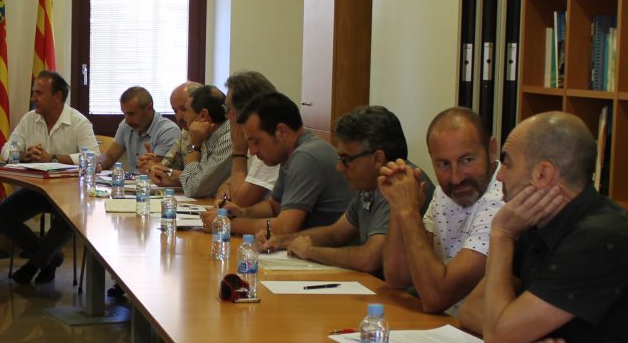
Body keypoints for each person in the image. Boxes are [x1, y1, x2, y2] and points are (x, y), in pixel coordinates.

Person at [458, 111, 628, 343]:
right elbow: (471, 309)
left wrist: (502, 233)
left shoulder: (599, 237)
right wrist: (523, 338)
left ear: (543, 174)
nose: (501, 176)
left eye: (507, 162)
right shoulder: (543, 222)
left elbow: (496, 334)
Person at [261, 106, 434, 276]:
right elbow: (335, 234)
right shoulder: (370, 184)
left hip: (407, 298)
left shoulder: (399, 183)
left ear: (377, 158)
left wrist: (311, 251)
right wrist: (281, 240)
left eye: (346, 159)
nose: (339, 167)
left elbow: (369, 258)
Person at [380, 107, 504, 313]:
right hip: (442, 329)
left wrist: (409, 212)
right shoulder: (445, 193)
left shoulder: (501, 201)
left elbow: (437, 297)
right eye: (443, 164)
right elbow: (397, 277)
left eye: (467, 160)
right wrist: (399, 203)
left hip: (476, 338)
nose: (456, 177)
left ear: (491, 149)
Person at [0, 70, 99, 284]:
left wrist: (54, 158)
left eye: (39, 93)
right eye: (34, 93)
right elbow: (7, 149)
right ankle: (51, 258)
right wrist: (21, 155)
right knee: (1, 217)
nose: (33, 98)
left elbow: (94, 158)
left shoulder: (79, 122)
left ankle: (35, 263)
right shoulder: (29, 119)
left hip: (69, 192)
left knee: (67, 221)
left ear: (58, 96)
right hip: (37, 190)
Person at [211, 91, 354, 237]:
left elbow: (285, 228)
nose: (252, 151)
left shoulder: (306, 156)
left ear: (281, 132)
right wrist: (242, 212)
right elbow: (274, 206)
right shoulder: (292, 153)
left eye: (256, 142)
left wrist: (227, 224)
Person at [148, 85, 232, 198]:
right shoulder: (211, 134)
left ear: (203, 115)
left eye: (185, 110)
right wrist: (174, 180)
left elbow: (192, 189)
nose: (182, 117)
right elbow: (199, 179)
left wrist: (195, 145)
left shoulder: (228, 139)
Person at [215, 71, 279, 209]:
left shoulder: (270, 141)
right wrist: (224, 189)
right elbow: (233, 181)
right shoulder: (253, 136)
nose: (227, 115)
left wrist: (239, 151)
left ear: (247, 109)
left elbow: (240, 203)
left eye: (228, 109)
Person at [94, 86, 179, 173]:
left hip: (153, 185)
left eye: (131, 114)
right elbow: (110, 156)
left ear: (149, 108)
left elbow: (159, 171)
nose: (126, 120)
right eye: (124, 113)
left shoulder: (168, 131)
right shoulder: (126, 126)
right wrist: (95, 165)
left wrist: (151, 166)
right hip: (132, 184)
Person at [137, 81, 198, 173]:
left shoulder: (216, 136)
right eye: (175, 111)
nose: (179, 116)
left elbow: (198, 180)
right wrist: (153, 167)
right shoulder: (185, 133)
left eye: (184, 109)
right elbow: (167, 167)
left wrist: (166, 172)